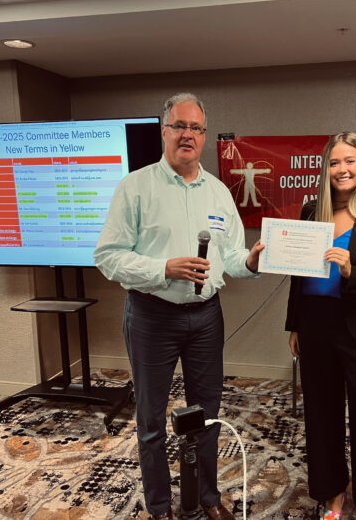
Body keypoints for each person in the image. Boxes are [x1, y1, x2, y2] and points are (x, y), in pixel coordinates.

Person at [94, 92, 263, 520]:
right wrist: (163, 268)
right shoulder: (135, 186)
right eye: (179, 126)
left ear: (204, 136)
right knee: (150, 420)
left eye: (196, 128)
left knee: (206, 415)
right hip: (152, 316)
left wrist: (252, 261)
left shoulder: (220, 193)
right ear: (164, 131)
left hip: (207, 317)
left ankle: (207, 497)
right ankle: (160, 507)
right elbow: (108, 256)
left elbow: (229, 259)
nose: (187, 134)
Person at [285, 132, 356, 520]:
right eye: (334, 162)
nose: (342, 169)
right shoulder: (309, 211)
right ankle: (331, 492)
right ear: (325, 169)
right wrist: (294, 326)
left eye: (349, 161)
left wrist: (353, 271)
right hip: (316, 328)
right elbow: (297, 277)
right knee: (321, 414)